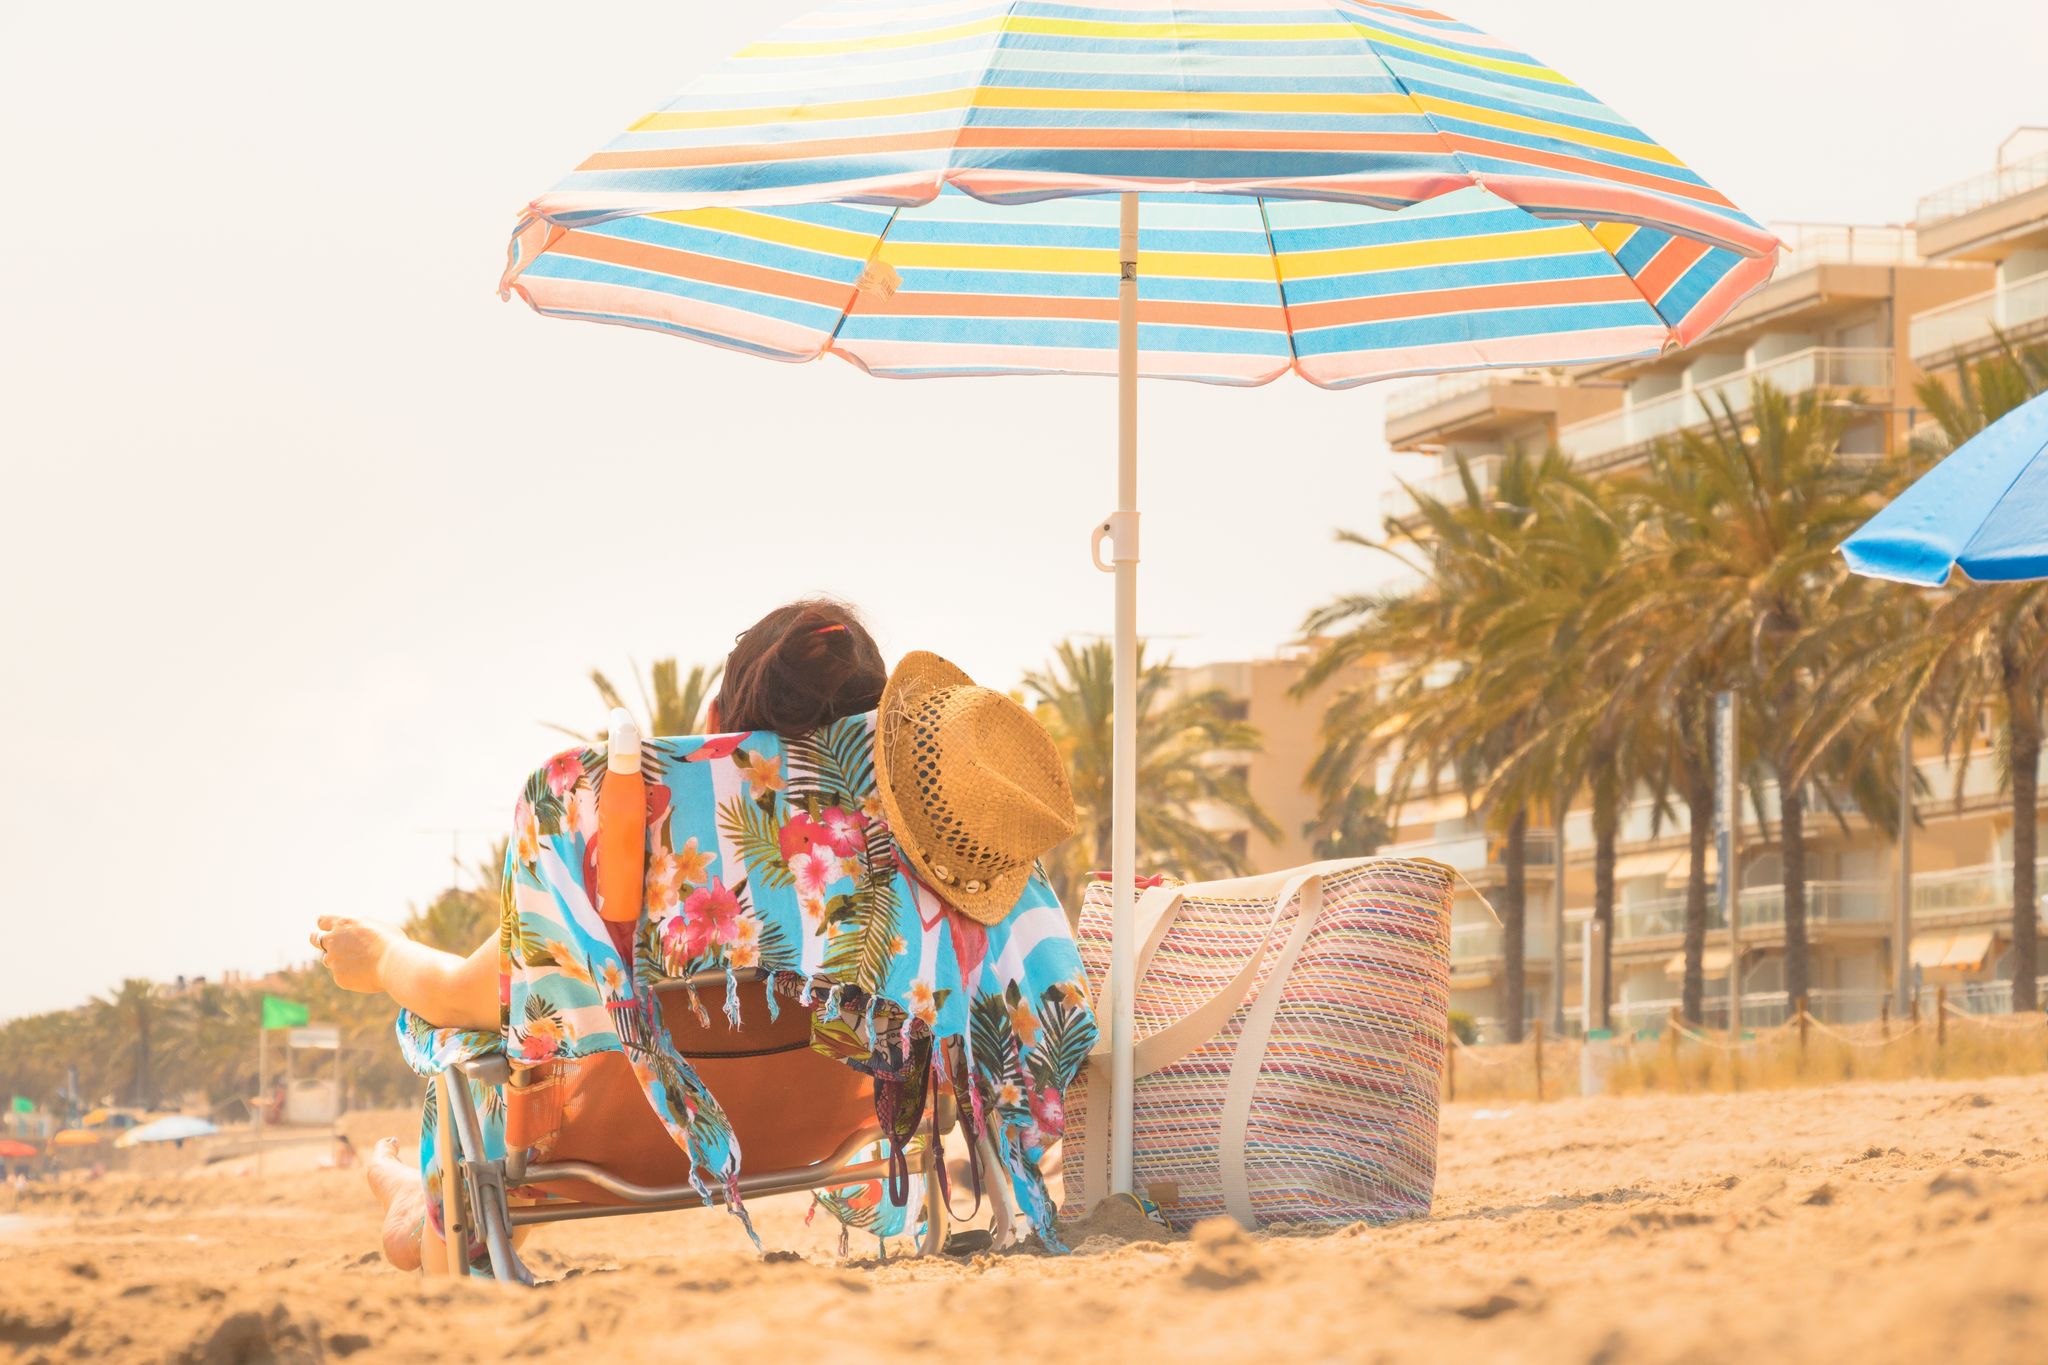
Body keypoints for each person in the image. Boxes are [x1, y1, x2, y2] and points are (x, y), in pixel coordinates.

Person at [314, 599, 888, 1270]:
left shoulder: (634, 852)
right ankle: (409, 1193)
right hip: (833, 1125)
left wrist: (381, 955)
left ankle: (416, 1211)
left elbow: (457, 994)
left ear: (714, 732)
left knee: (452, 1032)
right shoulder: (906, 846)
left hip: (605, 1144)